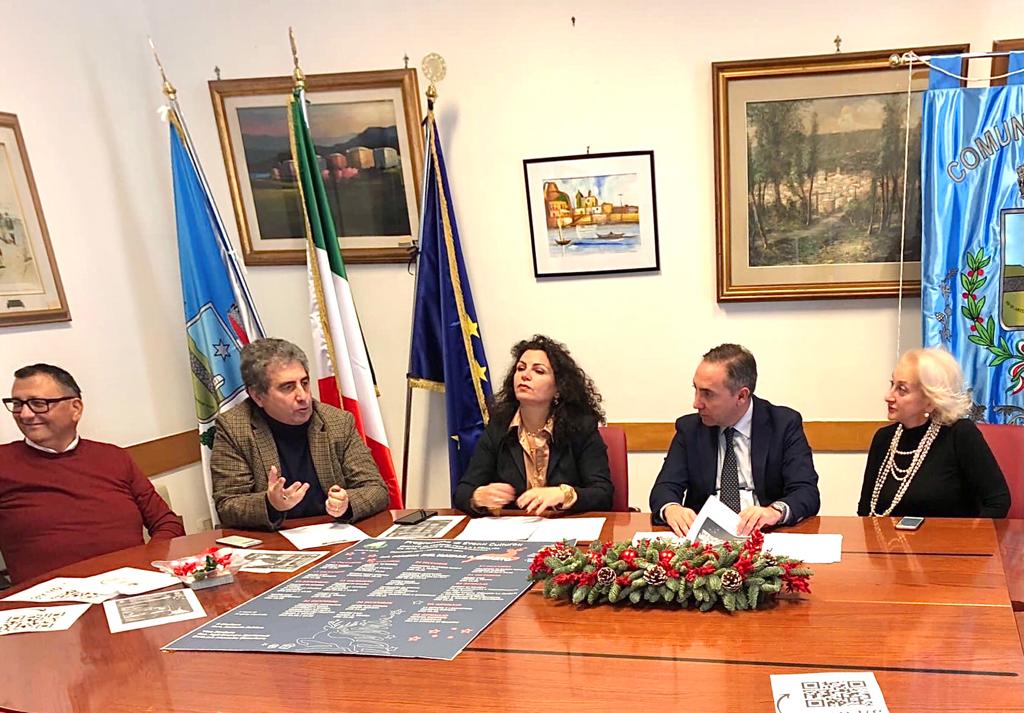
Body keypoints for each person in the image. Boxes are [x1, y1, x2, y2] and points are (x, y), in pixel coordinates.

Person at [0, 364, 184, 583]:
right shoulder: (4, 463)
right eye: (17, 404)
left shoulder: (113, 457)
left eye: (38, 404)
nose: (25, 414)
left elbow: (167, 523)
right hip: (50, 597)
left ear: (75, 408)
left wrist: (146, 564)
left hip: (132, 587)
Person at [211, 338, 388, 530]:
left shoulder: (338, 422)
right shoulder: (234, 428)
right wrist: (270, 504)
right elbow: (227, 504)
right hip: (274, 539)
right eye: (288, 387)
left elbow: (376, 489)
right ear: (257, 396)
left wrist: (347, 503)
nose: (303, 396)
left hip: (333, 533)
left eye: (305, 383)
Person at [649, 344, 820, 536]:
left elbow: (806, 491)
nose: (696, 403)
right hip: (705, 539)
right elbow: (665, 487)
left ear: (741, 396)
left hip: (765, 535)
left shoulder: (783, 424)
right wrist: (671, 508)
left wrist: (774, 512)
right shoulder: (690, 429)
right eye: (695, 390)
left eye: (707, 394)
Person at [454, 335, 613, 516]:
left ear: (558, 388)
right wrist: (477, 496)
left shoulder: (581, 427)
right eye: (520, 368)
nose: (525, 375)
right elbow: (462, 491)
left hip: (564, 527)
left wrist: (563, 494)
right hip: (514, 529)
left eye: (539, 371)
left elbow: (603, 494)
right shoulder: (499, 427)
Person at [857, 348, 1010, 518]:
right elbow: (865, 510)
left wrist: (968, 534)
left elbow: (998, 502)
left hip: (952, 535)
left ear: (930, 401)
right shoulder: (884, 438)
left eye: (902, 389)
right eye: (892, 384)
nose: (888, 396)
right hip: (888, 536)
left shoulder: (960, 434)